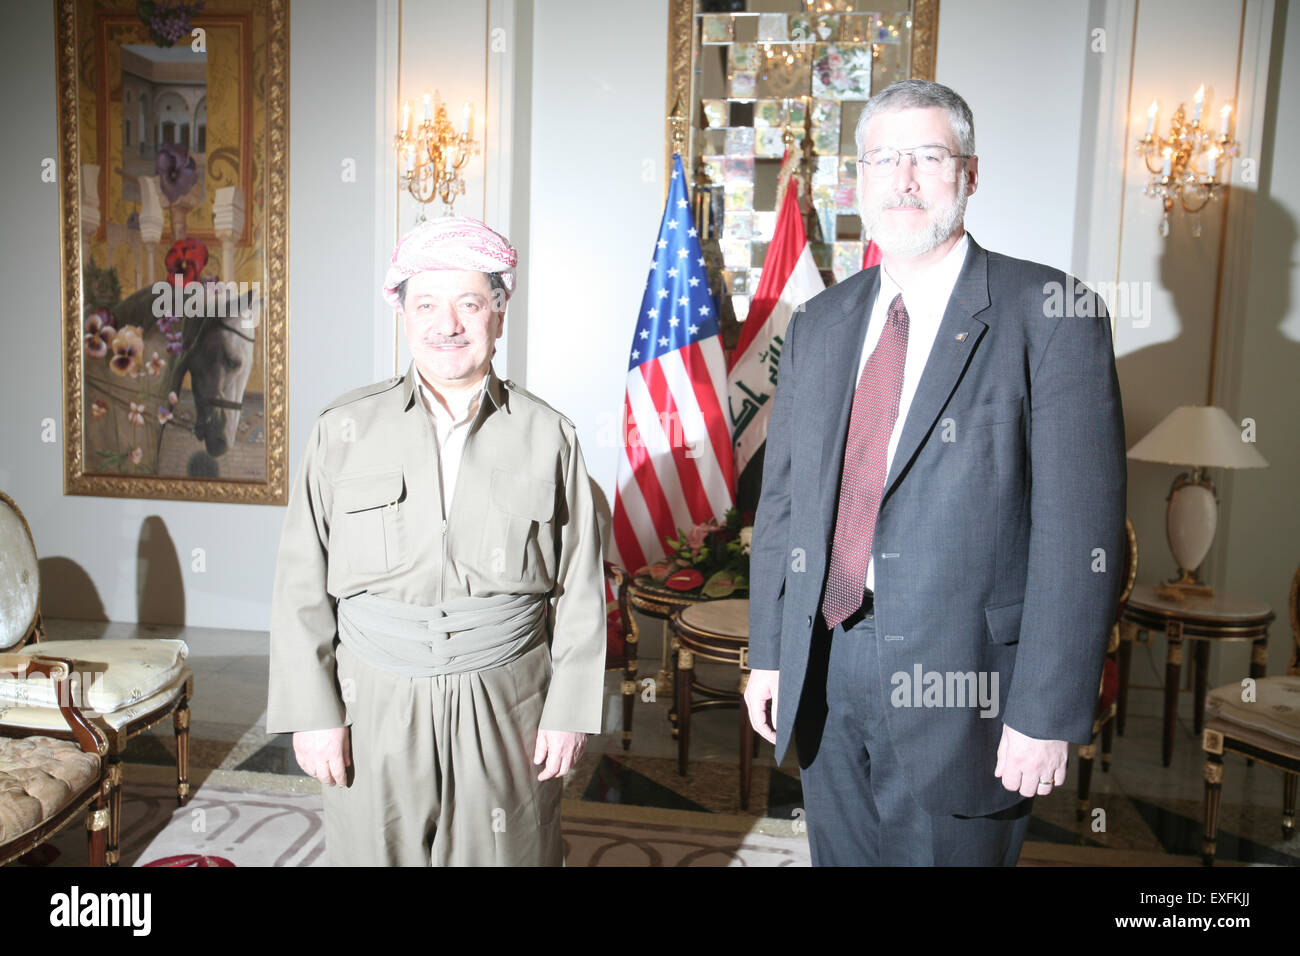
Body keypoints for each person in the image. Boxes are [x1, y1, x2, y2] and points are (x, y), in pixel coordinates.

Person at [744, 80, 1127, 866]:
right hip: (827, 662)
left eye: (928, 156)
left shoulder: (1052, 312)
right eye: (883, 159)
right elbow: (785, 500)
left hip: (970, 686)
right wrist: (769, 650)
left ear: (971, 173)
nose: (904, 180)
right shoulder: (821, 322)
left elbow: (1078, 536)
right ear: (860, 180)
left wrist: (1046, 712)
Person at [267, 216, 606, 866]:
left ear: (499, 316)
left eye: (469, 303)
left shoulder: (549, 436)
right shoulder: (342, 430)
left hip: (507, 697)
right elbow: (300, 583)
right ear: (402, 314)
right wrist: (312, 713)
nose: (446, 324)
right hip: (375, 697)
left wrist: (569, 711)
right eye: (426, 303)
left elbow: (582, 589)